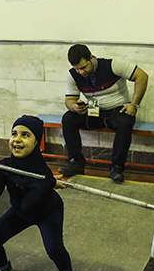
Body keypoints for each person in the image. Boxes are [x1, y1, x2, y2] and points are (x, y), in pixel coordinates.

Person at [0, 116, 79, 271]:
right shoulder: (5, 166)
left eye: (25, 135)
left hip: (47, 212)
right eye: (14, 134)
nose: (17, 139)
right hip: (21, 210)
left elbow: (29, 205)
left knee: (53, 249)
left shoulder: (42, 173)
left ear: (37, 142)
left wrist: (47, 182)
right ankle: (3, 266)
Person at [59, 44, 148, 184]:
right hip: (94, 110)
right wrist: (74, 107)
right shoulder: (73, 75)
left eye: (83, 67)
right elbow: (69, 99)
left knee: (125, 122)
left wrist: (134, 105)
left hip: (116, 109)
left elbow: (142, 76)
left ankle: (117, 167)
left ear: (91, 58)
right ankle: (75, 163)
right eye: (77, 69)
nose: (81, 72)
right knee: (68, 118)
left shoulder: (113, 65)